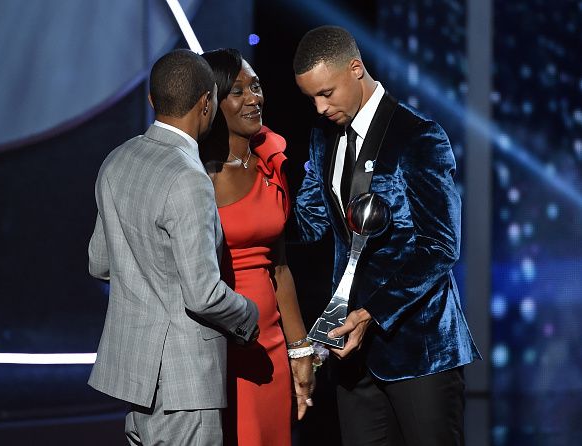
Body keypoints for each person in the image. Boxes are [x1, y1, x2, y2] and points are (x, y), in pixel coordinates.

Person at [293, 26, 481, 446]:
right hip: (352, 355)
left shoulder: (419, 136)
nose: (320, 108)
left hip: (421, 349)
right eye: (311, 99)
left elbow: (440, 246)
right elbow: (308, 222)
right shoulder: (324, 137)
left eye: (326, 93)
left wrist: (370, 313)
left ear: (355, 69)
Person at [87, 48, 260, 446]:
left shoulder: (118, 160)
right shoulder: (188, 176)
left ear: (152, 100)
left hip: (137, 380)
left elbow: (99, 262)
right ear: (207, 103)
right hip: (185, 382)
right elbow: (202, 295)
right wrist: (249, 316)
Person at [199, 48, 315, 446]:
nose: (254, 98)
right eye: (237, 91)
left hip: (270, 346)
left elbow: (280, 268)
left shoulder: (271, 163)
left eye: (256, 86)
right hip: (219, 346)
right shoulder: (196, 176)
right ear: (211, 101)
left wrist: (300, 351)